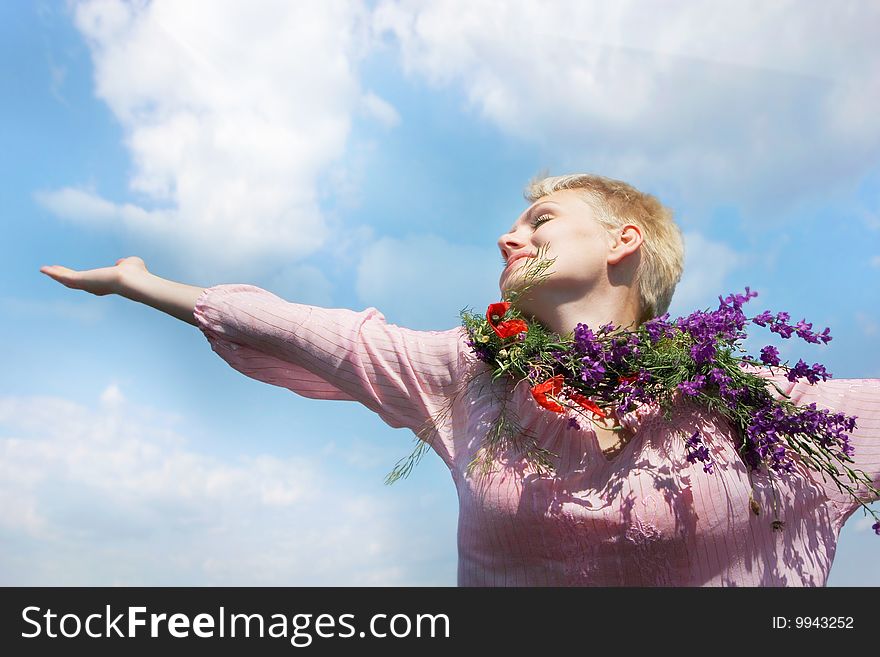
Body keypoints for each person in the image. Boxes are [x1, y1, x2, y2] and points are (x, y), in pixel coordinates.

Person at [39, 173, 880, 586]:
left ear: (624, 242)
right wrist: (139, 281)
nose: (510, 238)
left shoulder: (761, 407)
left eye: (540, 220)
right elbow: (301, 327)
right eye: (514, 225)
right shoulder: (467, 375)